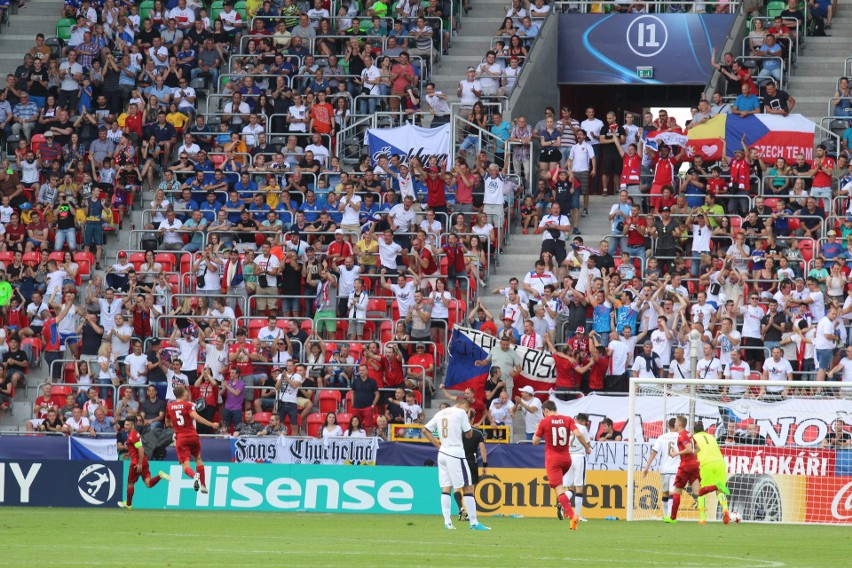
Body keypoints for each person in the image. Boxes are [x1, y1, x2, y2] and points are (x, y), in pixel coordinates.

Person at [421, 398, 490, 530]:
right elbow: (469, 434)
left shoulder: (441, 413)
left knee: (446, 487)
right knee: (468, 487)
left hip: (442, 453)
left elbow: (425, 430)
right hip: (455, 453)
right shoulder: (461, 413)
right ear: (464, 407)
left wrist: (438, 445)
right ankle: (474, 523)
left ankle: (447, 523)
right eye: (467, 410)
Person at [532, 400, 591, 530]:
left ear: (546, 410)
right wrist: (587, 447)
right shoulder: (568, 419)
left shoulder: (544, 422)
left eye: (543, 413)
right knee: (569, 488)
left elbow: (535, 442)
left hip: (553, 460)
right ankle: (566, 507)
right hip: (566, 459)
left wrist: (538, 430)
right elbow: (578, 434)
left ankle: (572, 516)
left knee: (559, 490)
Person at [166, 385, 219, 493]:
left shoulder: (169, 407)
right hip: (192, 436)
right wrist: (211, 424)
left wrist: (176, 426)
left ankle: (195, 475)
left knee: (185, 465)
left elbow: (167, 423)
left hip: (181, 438)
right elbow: (196, 417)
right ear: (183, 394)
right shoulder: (188, 405)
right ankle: (203, 485)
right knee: (198, 459)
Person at [117, 416, 171, 509]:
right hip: (144, 460)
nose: (125, 426)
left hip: (136, 463)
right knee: (148, 484)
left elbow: (141, 449)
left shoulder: (132, 436)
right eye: (125, 424)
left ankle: (128, 504)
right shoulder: (135, 434)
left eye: (127, 425)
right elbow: (137, 449)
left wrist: (139, 463)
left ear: (133, 425)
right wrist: (129, 453)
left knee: (130, 484)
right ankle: (160, 476)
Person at [692, 420, 732, 525]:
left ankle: (702, 518)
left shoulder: (693, 438)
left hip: (706, 464)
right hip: (720, 463)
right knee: (719, 489)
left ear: (694, 430)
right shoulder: (711, 437)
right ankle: (725, 509)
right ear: (703, 429)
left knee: (701, 491)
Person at [665, 415, 703, 524]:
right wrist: (692, 457)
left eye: (676, 422)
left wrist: (676, 453)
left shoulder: (682, 436)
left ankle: (672, 518)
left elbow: (689, 449)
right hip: (694, 464)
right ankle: (715, 486)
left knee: (677, 490)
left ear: (680, 424)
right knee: (697, 491)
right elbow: (697, 448)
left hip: (685, 466)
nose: (675, 424)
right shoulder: (689, 434)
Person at [642, 418, 680, 521]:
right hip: (676, 468)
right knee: (673, 492)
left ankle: (665, 515)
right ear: (676, 425)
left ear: (668, 426)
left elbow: (654, 453)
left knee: (665, 492)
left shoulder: (661, 437)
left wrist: (647, 467)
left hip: (664, 469)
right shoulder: (680, 437)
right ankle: (669, 516)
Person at [455, 426, 487, 522]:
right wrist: (485, 464)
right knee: (470, 490)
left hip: (458, 461)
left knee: (457, 487)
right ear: (473, 418)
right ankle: (470, 514)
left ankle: (460, 508)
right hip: (471, 463)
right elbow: (482, 449)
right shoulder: (477, 433)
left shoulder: (457, 432)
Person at [563, 413, 592, 522]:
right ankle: (577, 515)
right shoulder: (582, 428)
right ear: (583, 421)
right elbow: (587, 443)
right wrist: (587, 448)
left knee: (571, 487)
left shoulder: (566, 427)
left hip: (567, 457)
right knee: (579, 486)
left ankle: (562, 501)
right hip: (579, 457)